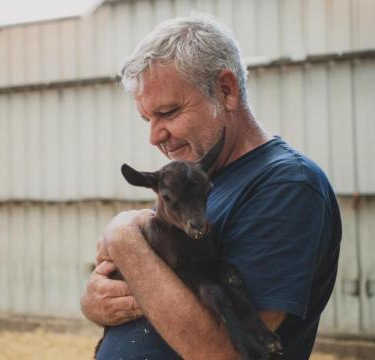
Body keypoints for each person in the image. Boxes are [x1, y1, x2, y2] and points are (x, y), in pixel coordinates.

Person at [81, 15, 342, 360]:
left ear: (226, 90)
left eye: (169, 112)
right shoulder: (196, 183)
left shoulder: (286, 185)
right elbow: (151, 285)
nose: (154, 135)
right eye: (148, 120)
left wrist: (122, 238)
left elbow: (221, 352)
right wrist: (94, 302)